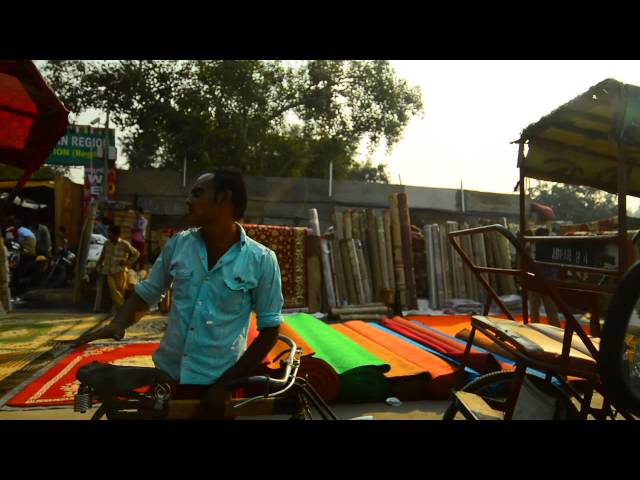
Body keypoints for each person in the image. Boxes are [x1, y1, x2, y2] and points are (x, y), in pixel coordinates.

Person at [70, 168, 283, 419]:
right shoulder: (178, 245)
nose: (188, 200)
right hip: (167, 376)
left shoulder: (261, 260)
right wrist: (118, 323)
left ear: (223, 199)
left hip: (217, 386)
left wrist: (224, 386)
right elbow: (147, 293)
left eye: (197, 193)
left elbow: (269, 331)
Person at [95, 225, 140, 313]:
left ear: (116, 235)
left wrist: (127, 263)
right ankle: (125, 308)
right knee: (113, 290)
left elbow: (136, 253)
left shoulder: (124, 244)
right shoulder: (107, 243)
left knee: (120, 292)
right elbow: (102, 256)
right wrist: (98, 266)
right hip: (108, 271)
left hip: (120, 271)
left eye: (110, 234)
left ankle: (117, 311)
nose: (108, 235)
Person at [529, 226, 560, 326]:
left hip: (541, 280)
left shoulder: (533, 247)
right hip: (543, 280)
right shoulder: (533, 247)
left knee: (537, 309)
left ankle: (536, 327)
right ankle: (554, 329)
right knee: (549, 309)